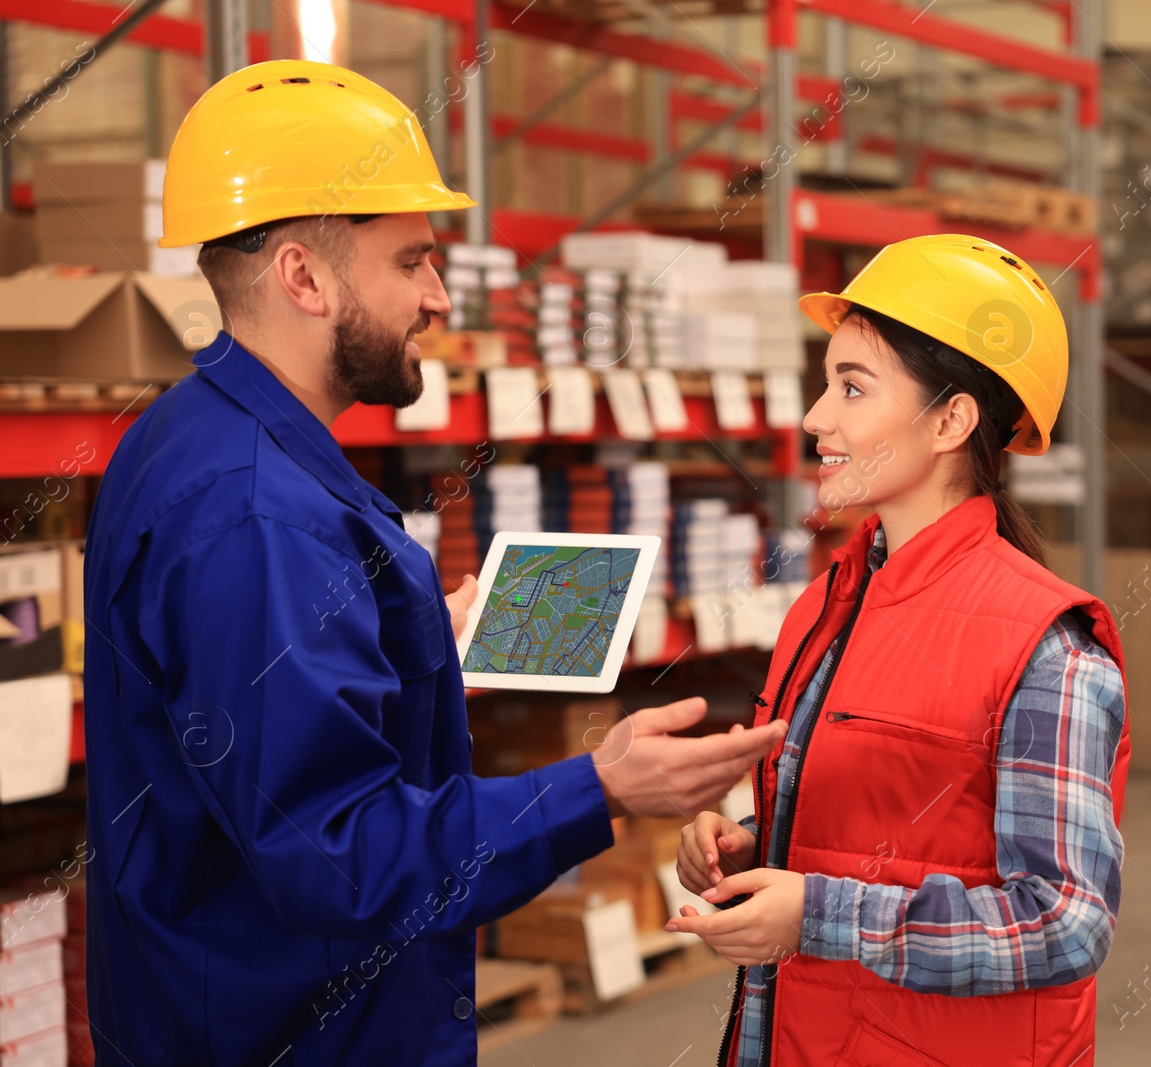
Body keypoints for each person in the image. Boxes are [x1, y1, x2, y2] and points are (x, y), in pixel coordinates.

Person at [81, 60, 784, 1067]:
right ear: (304, 277)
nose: (440, 296)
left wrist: (399, 641)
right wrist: (600, 787)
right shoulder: (256, 515)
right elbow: (340, 858)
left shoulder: (192, 436)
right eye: (411, 260)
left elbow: (246, 726)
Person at [671, 235, 1132, 1066]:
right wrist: (756, 842)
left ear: (951, 419)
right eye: (824, 384)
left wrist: (816, 911)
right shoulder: (827, 603)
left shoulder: (1046, 645)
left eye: (852, 387)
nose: (816, 418)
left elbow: (1066, 921)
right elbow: (890, 817)